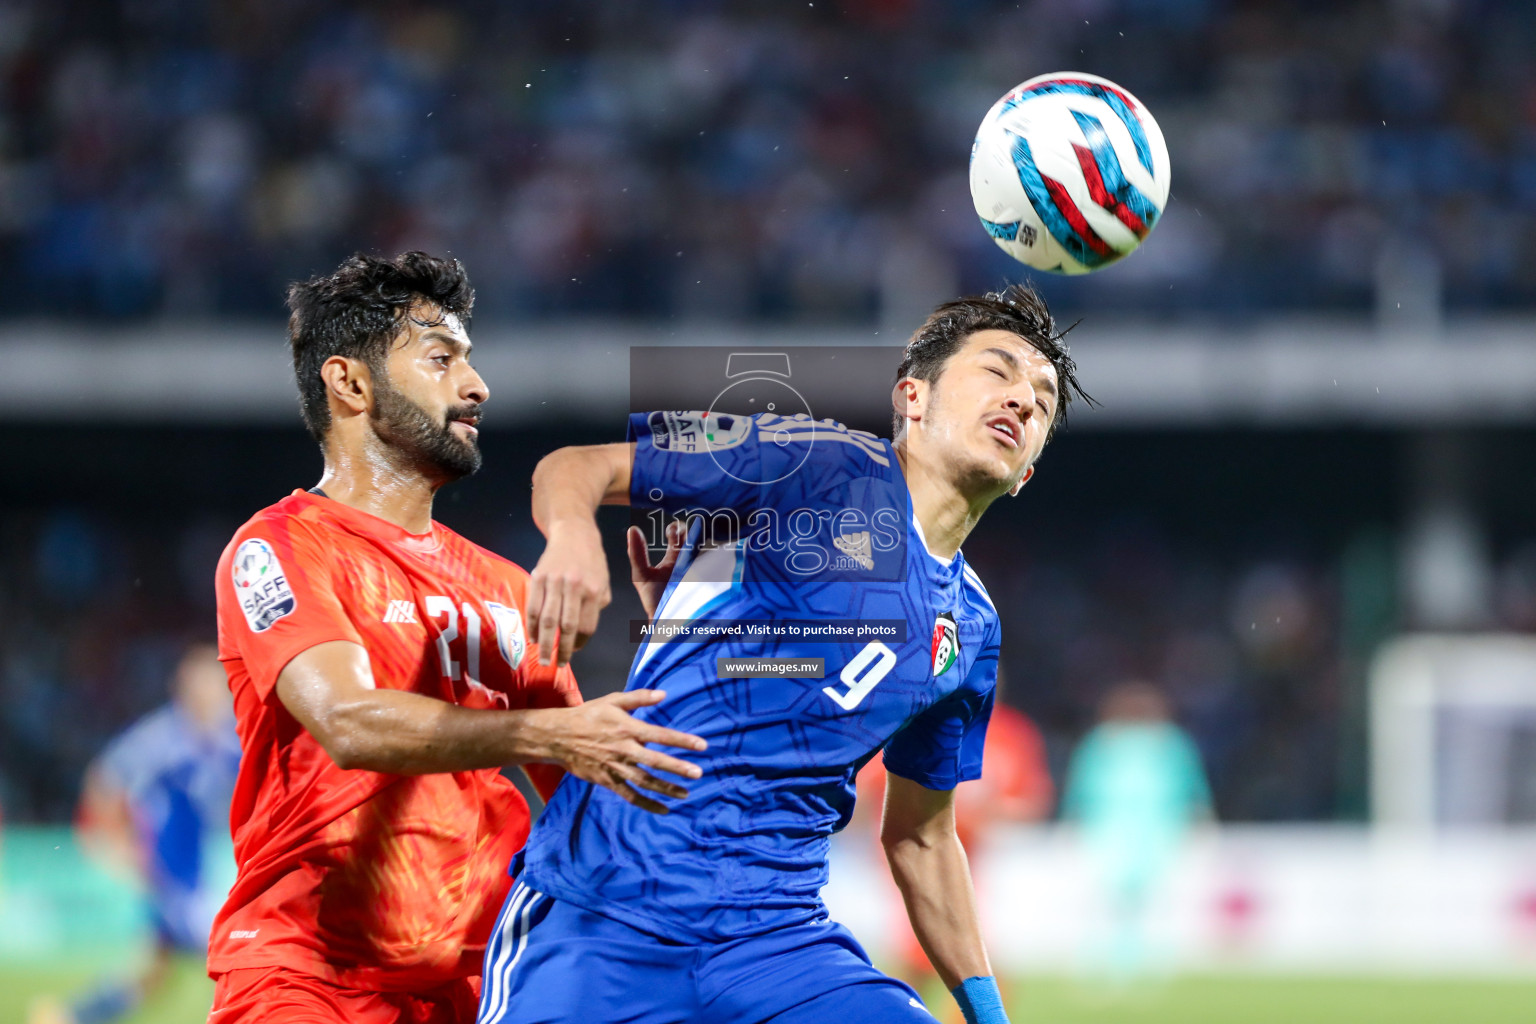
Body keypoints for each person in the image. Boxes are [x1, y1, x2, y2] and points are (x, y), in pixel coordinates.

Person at [478, 284, 1088, 1024]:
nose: (1024, 399)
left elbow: (923, 836)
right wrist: (573, 539)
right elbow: (577, 467)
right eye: (998, 371)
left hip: (776, 942)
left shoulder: (972, 626)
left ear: (1027, 473)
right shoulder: (815, 463)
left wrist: (988, 1015)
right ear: (913, 398)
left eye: (1044, 399)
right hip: (606, 914)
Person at [205, 251, 707, 1024]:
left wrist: (687, 644)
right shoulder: (281, 547)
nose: (477, 387)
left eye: (469, 362)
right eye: (441, 360)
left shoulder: (506, 587)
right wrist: (557, 733)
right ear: (351, 383)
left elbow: (585, 794)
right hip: (307, 980)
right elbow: (347, 721)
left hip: (477, 991)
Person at [27, 642, 238, 1024]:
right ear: (183, 686)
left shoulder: (230, 736)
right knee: (237, 960)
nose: (212, 690)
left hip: (201, 875)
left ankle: (69, 1016)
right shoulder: (161, 738)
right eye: (203, 681)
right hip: (174, 880)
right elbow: (104, 781)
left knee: (151, 975)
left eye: (217, 681)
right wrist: (116, 844)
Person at [1060, 680, 1212, 984]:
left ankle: (1137, 959)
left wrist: (1200, 816)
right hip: (1117, 830)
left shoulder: (1166, 743)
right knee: (1114, 896)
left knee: (1140, 897)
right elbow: (1081, 784)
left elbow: (1191, 784)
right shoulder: (1106, 742)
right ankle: (1114, 959)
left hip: (1148, 830)